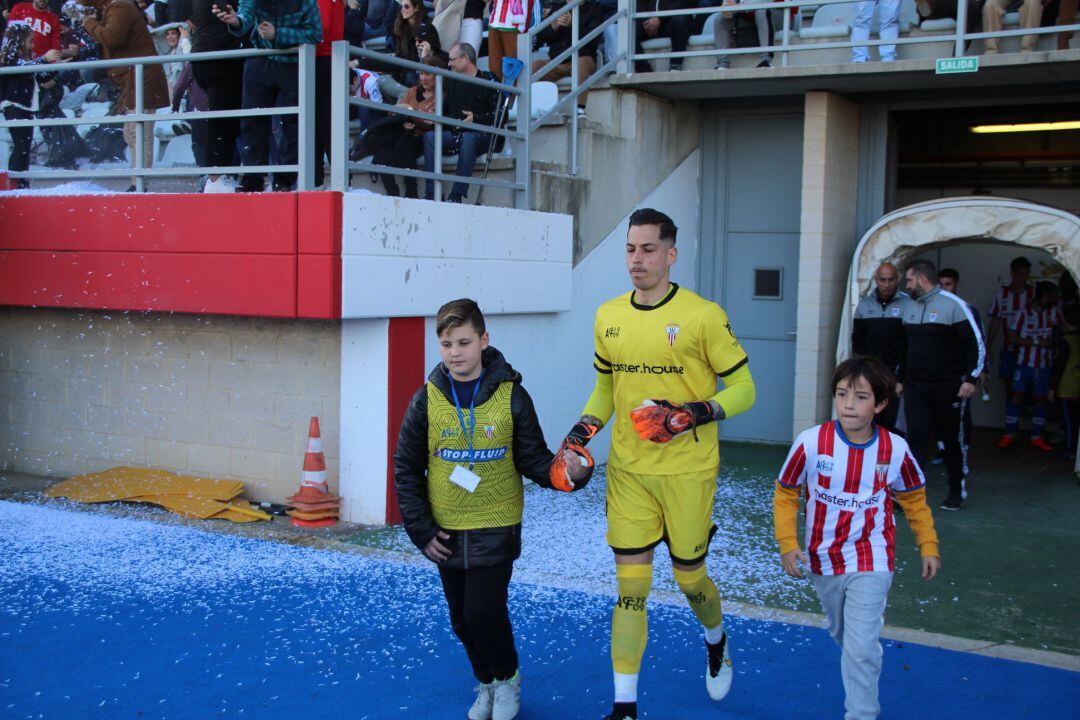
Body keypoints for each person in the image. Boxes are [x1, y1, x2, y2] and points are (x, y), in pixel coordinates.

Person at [553, 208, 756, 720]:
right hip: (629, 473)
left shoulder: (703, 315)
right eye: (630, 249)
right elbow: (606, 389)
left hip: (688, 473)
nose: (636, 260)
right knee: (631, 592)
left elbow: (746, 389)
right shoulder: (608, 316)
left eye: (647, 249)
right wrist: (582, 433)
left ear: (671, 253)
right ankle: (625, 708)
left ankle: (716, 640)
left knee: (690, 581)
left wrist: (694, 412)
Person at [393, 298, 592, 720]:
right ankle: (486, 683)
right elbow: (407, 469)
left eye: (464, 342)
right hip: (445, 530)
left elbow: (536, 461)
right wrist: (422, 530)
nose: (454, 353)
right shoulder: (426, 400)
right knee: (461, 621)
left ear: (484, 340)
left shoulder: (512, 396)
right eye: (445, 343)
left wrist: (573, 470)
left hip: (497, 522)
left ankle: (508, 679)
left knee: (483, 611)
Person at [775, 355, 940, 720]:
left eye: (861, 396)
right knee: (845, 636)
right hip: (823, 559)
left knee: (861, 646)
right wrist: (788, 543)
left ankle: (861, 714)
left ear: (880, 404)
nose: (849, 404)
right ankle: (859, 654)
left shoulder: (895, 450)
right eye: (842, 393)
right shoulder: (810, 442)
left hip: (872, 555)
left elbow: (913, 498)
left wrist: (928, 544)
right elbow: (786, 492)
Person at [900, 258, 985, 511]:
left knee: (950, 439)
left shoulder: (955, 306)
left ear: (922, 279)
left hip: (947, 385)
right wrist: (899, 378)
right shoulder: (908, 306)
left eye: (909, 279)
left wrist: (971, 379)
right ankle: (909, 496)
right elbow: (904, 347)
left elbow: (975, 344)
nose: (906, 284)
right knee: (916, 438)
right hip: (915, 386)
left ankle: (956, 491)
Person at [212, 0, 323, 193]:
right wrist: (235, 21)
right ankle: (253, 178)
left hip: (293, 63)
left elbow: (315, 34)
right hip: (260, 59)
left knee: (293, 122)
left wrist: (278, 34)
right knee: (252, 120)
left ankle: (284, 180)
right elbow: (245, 18)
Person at [83, 0, 171, 190]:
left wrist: (89, 23)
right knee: (131, 132)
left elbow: (112, 37)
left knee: (140, 131)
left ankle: (140, 184)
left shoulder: (120, 7)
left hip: (141, 77)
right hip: (132, 78)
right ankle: (137, 182)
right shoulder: (113, 8)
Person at [422, 41, 497, 203]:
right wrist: (436, 115)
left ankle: (456, 196)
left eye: (452, 59)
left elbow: (500, 116)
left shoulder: (489, 79)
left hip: (483, 134)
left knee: (469, 138)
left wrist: (475, 119)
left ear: (465, 58)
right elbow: (448, 112)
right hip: (458, 133)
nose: (449, 64)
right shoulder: (452, 81)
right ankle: (432, 193)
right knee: (430, 137)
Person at [999, 281, 1063, 452]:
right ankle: (1009, 434)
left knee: (1041, 400)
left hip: (1044, 364)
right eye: (1053, 295)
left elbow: (1063, 331)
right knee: (1016, 396)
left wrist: (1055, 345)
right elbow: (1011, 337)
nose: (1056, 298)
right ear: (1045, 295)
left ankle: (1037, 436)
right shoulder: (1023, 313)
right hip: (1024, 363)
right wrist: (1035, 342)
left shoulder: (1054, 312)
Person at [367, 53, 443, 198]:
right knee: (382, 153)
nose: (423, 78)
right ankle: (393, 194)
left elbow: (435, 122)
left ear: (437, 75)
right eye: (421, 73)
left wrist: (414, 117)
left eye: (428, 74)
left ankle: (411, 191)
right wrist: (405, 117)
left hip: (423, 137)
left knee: (404, 146)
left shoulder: (442, 95)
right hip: (404, 132)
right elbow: (395, 113)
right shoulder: (413, 91)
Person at [0, 19, 65, 187]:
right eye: (30, 41)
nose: (33, 45)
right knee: (21, 145)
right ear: (19, 40)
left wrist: (56, 65)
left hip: (26, 106)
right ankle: (17, 183)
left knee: (25, 145)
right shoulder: (10, 58)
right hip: (14, 105)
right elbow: (23, 69)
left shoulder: (28, 60)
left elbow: (41, 76)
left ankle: (22, 181)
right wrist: (44, 58)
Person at [852, 261, 908, 433]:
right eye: (882, 280)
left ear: (897, 280)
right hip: (871, 373)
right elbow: (858, 340)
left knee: (893, 421)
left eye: (890, 280)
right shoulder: (864, 305)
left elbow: (909, 344)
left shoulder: (908, 304)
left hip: (895, 373)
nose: (886, 284)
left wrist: (901, 377)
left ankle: (890, 457)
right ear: (876, 279)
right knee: (869, 416)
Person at [532, 0, 602, 113]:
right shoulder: (557, 8)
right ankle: (531, 109)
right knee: (533, 66)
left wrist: (572, 24)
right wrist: (552, 27)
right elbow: (539, 39)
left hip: (583, 58)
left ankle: (580, 108)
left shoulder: (594, 9)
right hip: (557, 62)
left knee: (581, 63)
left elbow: (593, 39)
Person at [987, 256, 1034, 394]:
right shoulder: (1002, 293)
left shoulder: (1033, 293)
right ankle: (1011, 412)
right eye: (1020, 273)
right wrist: (988, 346)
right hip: (1009, 346)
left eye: (1026, 273)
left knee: (1029, 382)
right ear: (1012, 273)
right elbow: (995, 320)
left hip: (1030, 348)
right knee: (1007, 379)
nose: (1023, 277)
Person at [313, 0, 344, 188]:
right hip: (329, 62)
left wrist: (306, 57)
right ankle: (332, 178)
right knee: (326, 124)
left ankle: (319, 180)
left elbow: (320, 30)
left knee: (321, 125)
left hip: (320, 61)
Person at [634, 0, 698, 71]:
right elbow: (638, 3)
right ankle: (645, 71)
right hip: (649, 22)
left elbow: (684, 3)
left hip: (671, 20)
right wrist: (646, 20)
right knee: (627, 32)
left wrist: (660, 18)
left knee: (680, 22)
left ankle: (675, 66)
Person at [1052, 303, 1080, 459]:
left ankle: (1070, 449)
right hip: (1077, 383)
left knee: (1069, 420)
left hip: (1068, 385)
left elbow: (1060, 365)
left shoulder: (1066, 340)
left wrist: (1052, 385)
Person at [488, 0, 538, 81]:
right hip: (495, 20)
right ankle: (495, 92)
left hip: (515, 24)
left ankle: (513, 93)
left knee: (514, 72)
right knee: (494, 71)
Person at [714, 0, 773, 69]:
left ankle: (766, 60)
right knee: (720, 19)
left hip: (777, 13)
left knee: (762, 11)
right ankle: (722, 65)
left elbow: (767, 2)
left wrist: (739, 6)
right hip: (748, 14)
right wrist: (726, 6)